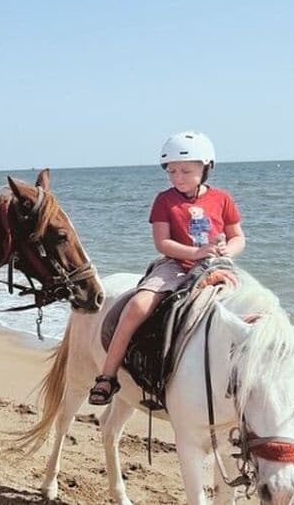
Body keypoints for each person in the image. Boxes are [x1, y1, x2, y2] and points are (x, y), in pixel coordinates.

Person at [88, 131, 245, 405]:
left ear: (205, 168)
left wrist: (226, 251)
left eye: (185, 170)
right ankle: (108, 376)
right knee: (137, 306)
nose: (177, 177)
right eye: (171, 171)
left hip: (215, 265)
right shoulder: (164, 200)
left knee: (249, 311)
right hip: (175, 265)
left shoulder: (222, 199)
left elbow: (238, 237)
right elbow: (163, 243)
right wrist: (197, 252)